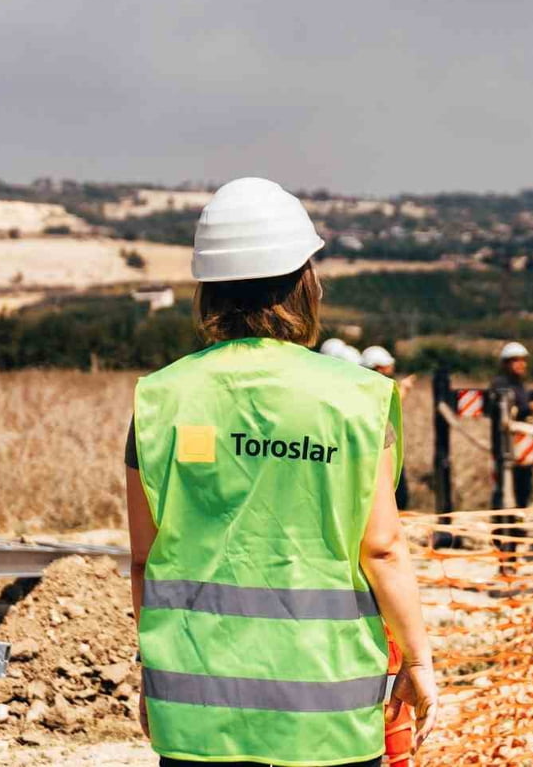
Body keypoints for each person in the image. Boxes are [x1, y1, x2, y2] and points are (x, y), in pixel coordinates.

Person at [123, 177, 437, 767]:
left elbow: (145, 560)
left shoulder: (161, 400)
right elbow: (384, 549)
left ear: (207, 289)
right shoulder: (355, 400)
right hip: (328, 712)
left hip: (197, 710)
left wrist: (155, 673)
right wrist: (417, 658)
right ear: (305, 282)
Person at [361, 345, 416, 510]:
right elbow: (387, 406)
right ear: (379, 367)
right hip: (382, 444)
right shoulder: (377, 387)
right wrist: (404, 388)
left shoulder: (363, 384)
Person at [487, 341, 533, 510]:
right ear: (505, 364)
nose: (521, 364)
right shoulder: (500, 385)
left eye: (523, 360)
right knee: (503, 490)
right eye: (515, 360)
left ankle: (519, 529)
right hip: (505, 449)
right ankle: (500, 531)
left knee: (524, 491)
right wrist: (527, 408)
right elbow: (504, 411)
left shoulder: (521, 386)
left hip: (522, 449)